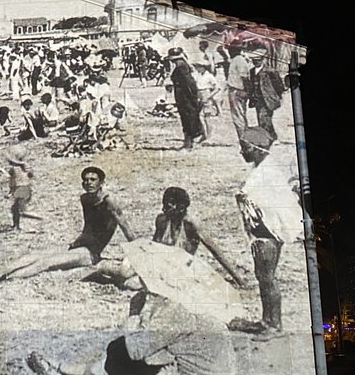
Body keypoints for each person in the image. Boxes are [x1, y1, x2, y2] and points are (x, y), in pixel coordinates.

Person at [0, 166, 135, 283]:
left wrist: (137, 250)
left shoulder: (109, 201)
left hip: (90, 254)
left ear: (101, 182)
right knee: (36, 255)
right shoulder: (85, 199)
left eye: (93, 180)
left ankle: (5, 277)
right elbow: (89, 227)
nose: (89, 183)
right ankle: (0, 270)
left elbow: (124, 225)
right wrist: (78, 241)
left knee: (46, 263)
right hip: (80, 247)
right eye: (85, 180)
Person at [26, 290, 236, 375]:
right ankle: (68, 368)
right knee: (154, 361)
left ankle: (66, 369)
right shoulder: (204, 313)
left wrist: (135, 313)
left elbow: (131, 349)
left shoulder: (176, 317)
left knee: (119, 352)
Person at [96, 186, 250, 292]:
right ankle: (105, 270)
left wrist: (238, 279)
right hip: (159, 263)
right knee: (124, 270)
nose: (164, 209)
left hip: (178, 268)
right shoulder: (162, 220)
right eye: (164, 205)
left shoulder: (191, 224)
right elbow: (154, 246)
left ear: (180, 207)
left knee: (131, 283)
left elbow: (215, 251)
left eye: (168, 206)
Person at [234, 137, 301, 335]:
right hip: (262, 236)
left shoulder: (266, 175)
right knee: (262, 278)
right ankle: (266, 320)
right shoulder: (262, 170)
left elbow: (268, 205)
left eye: (245, 148)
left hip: (267, 237)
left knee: (267, 279)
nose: (242, 152)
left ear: (259, 149)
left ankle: (275, 325)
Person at [167, 47, 203, 150]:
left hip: (185, 95)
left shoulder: (180, 66)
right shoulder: (181, 64)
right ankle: (187, 141)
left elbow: (188, 83)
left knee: (188, 116)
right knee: (186, 116)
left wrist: (192, 96)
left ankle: (189, 142)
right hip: (183, 94)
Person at [247, 47, 286, 140]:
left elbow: (278, 85)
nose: (256, 62)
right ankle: (269, 136)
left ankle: (270, 136)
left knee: (264, 117)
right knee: (261, 118)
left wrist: (278, 96)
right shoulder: (252, 71)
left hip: (268, 98)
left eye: (258, 61)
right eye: (254, 61)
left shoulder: (270, 71)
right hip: (257, 99)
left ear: (262, 60)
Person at [5, 147, 41, 230]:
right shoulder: (25, 167)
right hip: (26, 188)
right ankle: (16, 225)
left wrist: (10, 191)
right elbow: (31, 176)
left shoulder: (13, 169)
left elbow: (12, 182)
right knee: (16, 208)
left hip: (19, 189)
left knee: (18, 209)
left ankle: (36, 218)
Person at [224, 42, 252, 147]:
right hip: (235, 90)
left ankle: (245, 141)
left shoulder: (239, 60)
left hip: (237, 90)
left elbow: (245, 78)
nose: (230, 52)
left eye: (231, 50)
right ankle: (245, 139)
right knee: (240, 115)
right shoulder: (236, 60)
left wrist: (246, 91)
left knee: (238, 117)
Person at [193, 61, 219, 140]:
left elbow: (217, 88)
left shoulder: (209, 76)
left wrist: (209, 96)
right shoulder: (199, 76)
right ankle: (203, 134)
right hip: (199, 94)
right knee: (198, 116)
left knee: (207, 117)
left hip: (206, 93)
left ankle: (209, 136)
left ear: (203, 67)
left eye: (198, 67)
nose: (197, 69)